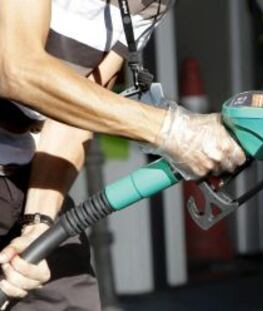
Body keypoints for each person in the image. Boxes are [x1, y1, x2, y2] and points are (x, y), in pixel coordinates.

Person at [0, 0, 246, 309]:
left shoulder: (146, 4)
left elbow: (72, 117)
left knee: (66, 296)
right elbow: (18, 69)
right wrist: (172, 131)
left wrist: (38, 223)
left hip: (20, 170)